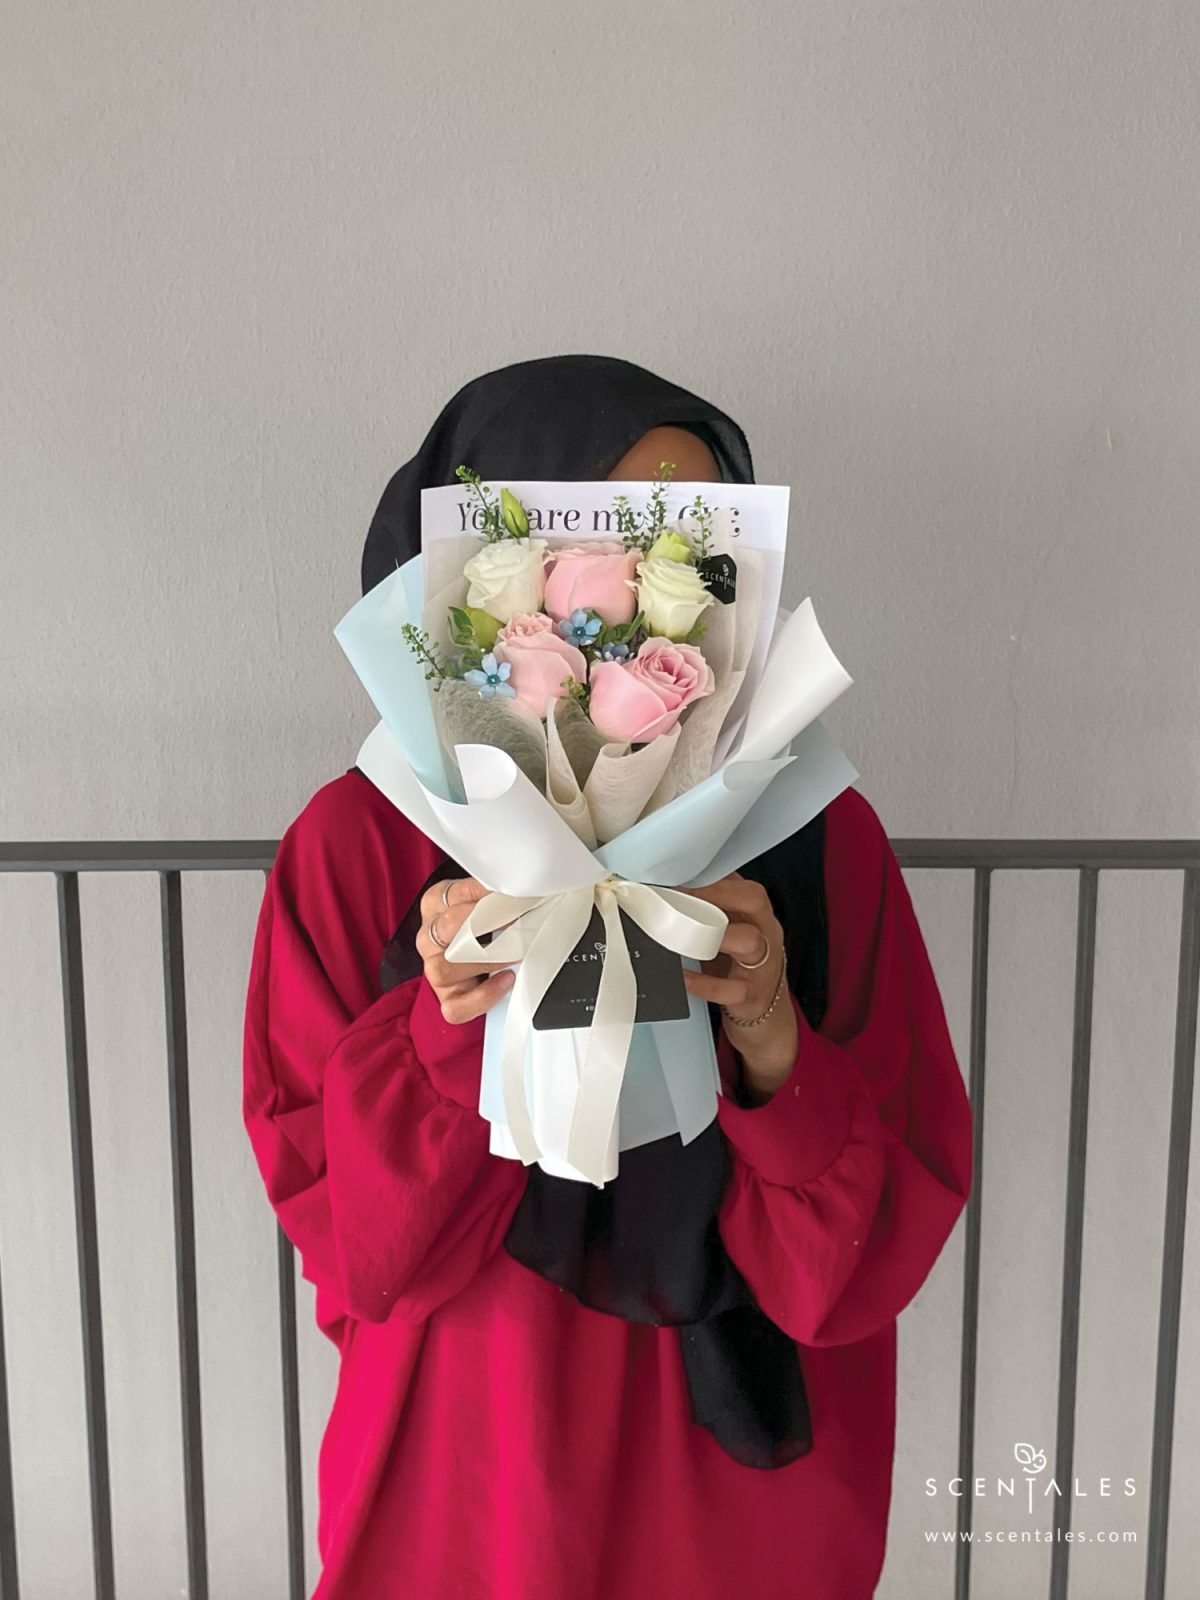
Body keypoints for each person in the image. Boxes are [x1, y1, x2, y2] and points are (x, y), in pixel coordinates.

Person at [242, 354, 974, 1600]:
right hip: (469, 1482)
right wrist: (449, 1012)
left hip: (742, 1504)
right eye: (595, 541)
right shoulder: (359, 846)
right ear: (476, 578)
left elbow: (870, 1255)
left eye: (693, 545)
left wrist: (771, 1034)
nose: (642, 590)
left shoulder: (818, 840)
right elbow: (356, 1243)